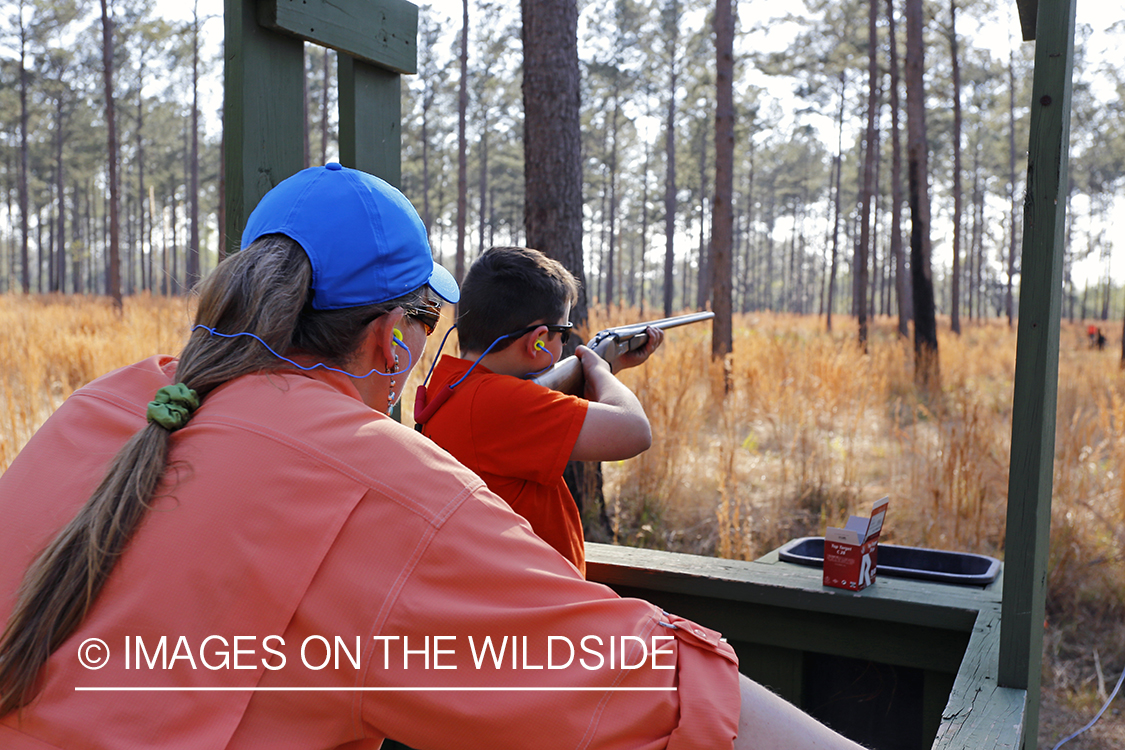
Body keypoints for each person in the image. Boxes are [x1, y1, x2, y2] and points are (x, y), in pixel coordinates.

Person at [0, 164, 865, 750]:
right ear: (390, 338)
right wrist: (595, 368)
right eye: (422, 322)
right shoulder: (372, 482)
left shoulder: (109, 405)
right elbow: (655, 686)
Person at [416, 247, 662, 576]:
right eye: (565, 332)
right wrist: (599, 368)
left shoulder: (451, 384)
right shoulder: (502, 402)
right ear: (539, 341)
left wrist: (605, 369)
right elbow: (634, 432)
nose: (567, 343)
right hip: (537, 603)